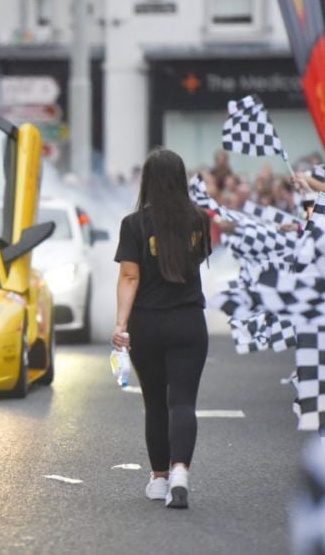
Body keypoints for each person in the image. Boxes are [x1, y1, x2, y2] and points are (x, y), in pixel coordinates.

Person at [113, 147, 211, 509]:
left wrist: (121, 323)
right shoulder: (199, 220)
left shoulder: (134, 223)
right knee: (183, 401)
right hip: (188, 320)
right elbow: (197, 263)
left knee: (155, 403)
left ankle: (158, 479)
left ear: (148, 181)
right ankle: (181, 472)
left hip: (147, 323)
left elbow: (129, 275)